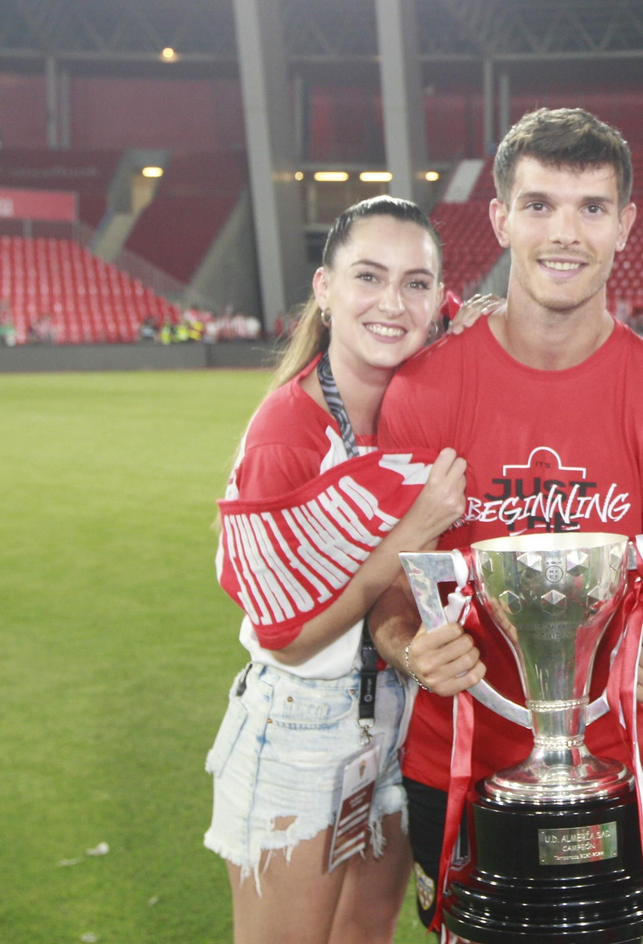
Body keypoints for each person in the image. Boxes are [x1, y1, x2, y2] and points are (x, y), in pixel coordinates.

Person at [366, 107, 643, 939]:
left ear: (626, 223)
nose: (565, 233)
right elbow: (388, 595)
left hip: (605, 777)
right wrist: (410, 650)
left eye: (592, 207)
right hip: (449, 767)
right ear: (499, 218)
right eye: (539, 205)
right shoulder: (423, 392)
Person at [205, 195, 484, 944]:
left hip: (398, 715)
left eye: (415, 283)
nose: (392, 303)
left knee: (365, 937)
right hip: (301, 720)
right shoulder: (286, 432)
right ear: (325, 290)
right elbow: (287, 637)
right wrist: (412, 531)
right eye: (368, 276)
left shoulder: (411, 402)